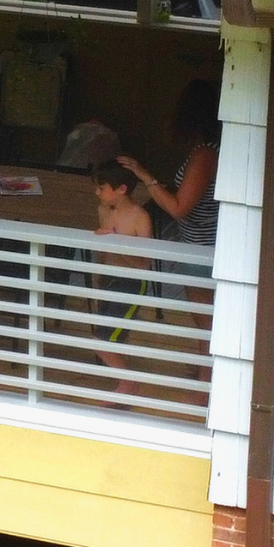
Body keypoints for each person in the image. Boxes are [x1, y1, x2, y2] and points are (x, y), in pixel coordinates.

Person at [118, 79, 220, 302]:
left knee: (205, 331)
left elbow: (178, 208)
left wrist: (144, 175)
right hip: (199, 249)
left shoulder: (205, 155)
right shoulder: (208, 150)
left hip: (201, 253)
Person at [89, 161, 154, 396]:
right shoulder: (103, 210)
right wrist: (98, 276)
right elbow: (103, 251)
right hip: (108, 278)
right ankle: (123, 382)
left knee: (102, 339)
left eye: (102, 187)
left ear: (121, 189)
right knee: (113, 333)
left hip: (131, 283)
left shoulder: (140, 217)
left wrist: (116, 243)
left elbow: (145, 263)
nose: (97, 192)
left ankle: (128, 384)